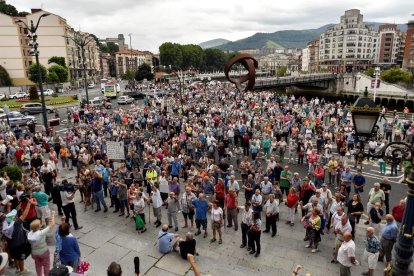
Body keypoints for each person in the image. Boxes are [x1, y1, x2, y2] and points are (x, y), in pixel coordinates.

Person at [27, 212, 56, 276]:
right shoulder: (41, 233)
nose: (41, 224)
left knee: (38, 265)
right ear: (38, 226)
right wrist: (53, 215)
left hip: (34, 253)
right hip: (44, 252)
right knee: (46, 265)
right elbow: (52, 225)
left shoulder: (29, 234)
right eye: (40, 223)